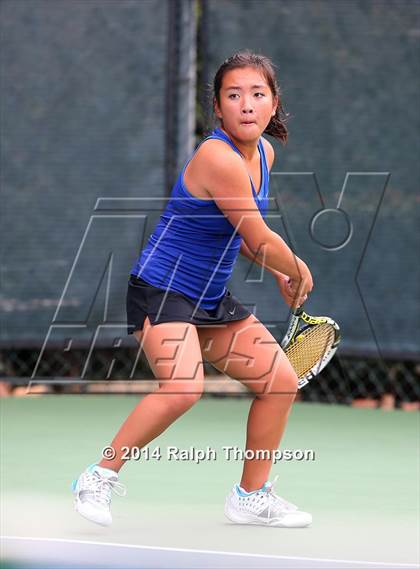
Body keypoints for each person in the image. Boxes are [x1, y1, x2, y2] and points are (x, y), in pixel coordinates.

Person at [72, 51, 313, 528]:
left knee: (280, 382)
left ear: (273, 104)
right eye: (234, 95)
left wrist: (280, 271)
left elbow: (239, 235)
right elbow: (261, 237)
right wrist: (299, 269)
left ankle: (250, 495)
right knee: (183, 387)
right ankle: (97, 476)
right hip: (161, 290)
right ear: (218, 109)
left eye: (257, 94)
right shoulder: (216, 157)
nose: (246, 104)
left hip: (209, 298)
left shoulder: (265, 154)